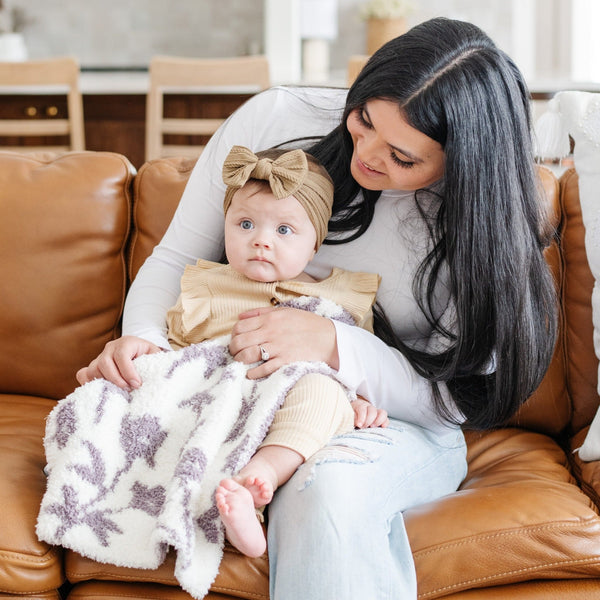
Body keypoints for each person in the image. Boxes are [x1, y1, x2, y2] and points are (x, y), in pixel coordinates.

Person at [77, 17, 558, 599]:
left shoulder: (483, 226)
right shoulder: (278, 120)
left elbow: (451, 402)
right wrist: (146, 345)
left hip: (396, 419)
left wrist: (332, 345)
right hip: (236, 389)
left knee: (325, 493)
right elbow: (176, 257)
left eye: (403, 158)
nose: (367, 155)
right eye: (363, 121)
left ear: (462, 162)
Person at [166, 144, 385, 557]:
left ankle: (259, 479)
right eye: (245, 224)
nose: (261, 242)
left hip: (295, 396)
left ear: (315, 244)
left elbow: (354, 364)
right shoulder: (206, 289)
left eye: (283, 231)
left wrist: (359, 401)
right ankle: (231, 506)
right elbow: (177, 357)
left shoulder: (341, 298)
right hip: (227, 397)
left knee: (320, 392)